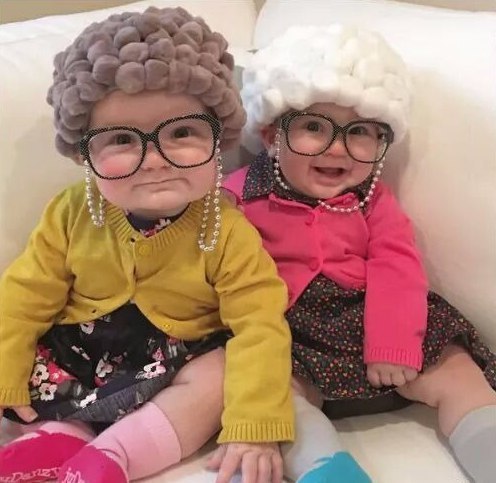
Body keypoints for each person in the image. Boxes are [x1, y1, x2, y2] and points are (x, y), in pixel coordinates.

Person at [0, 7, 295, 483]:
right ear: (84, 153)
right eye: (121, 139)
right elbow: (24, 295)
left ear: (219, 139)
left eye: (182, 133)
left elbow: (259, 326)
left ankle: (114, 455)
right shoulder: (71, 212)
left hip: (178, 363)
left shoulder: (228, 229)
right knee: (31, 363)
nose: (155, 160)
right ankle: (56, 438)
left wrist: (256, 423)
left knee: (219, 375)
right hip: (80, 354)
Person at [224, 24, 496, 483]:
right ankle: (329, 472)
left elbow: (397, 264)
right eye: (314, 126)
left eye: (361, 132)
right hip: (287, 333)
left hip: (375, 320)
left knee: (458, 373)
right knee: (275, 397)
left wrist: (393, 342)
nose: (338, 147)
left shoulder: (372, 199)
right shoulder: (238, 196)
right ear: (271, 136)